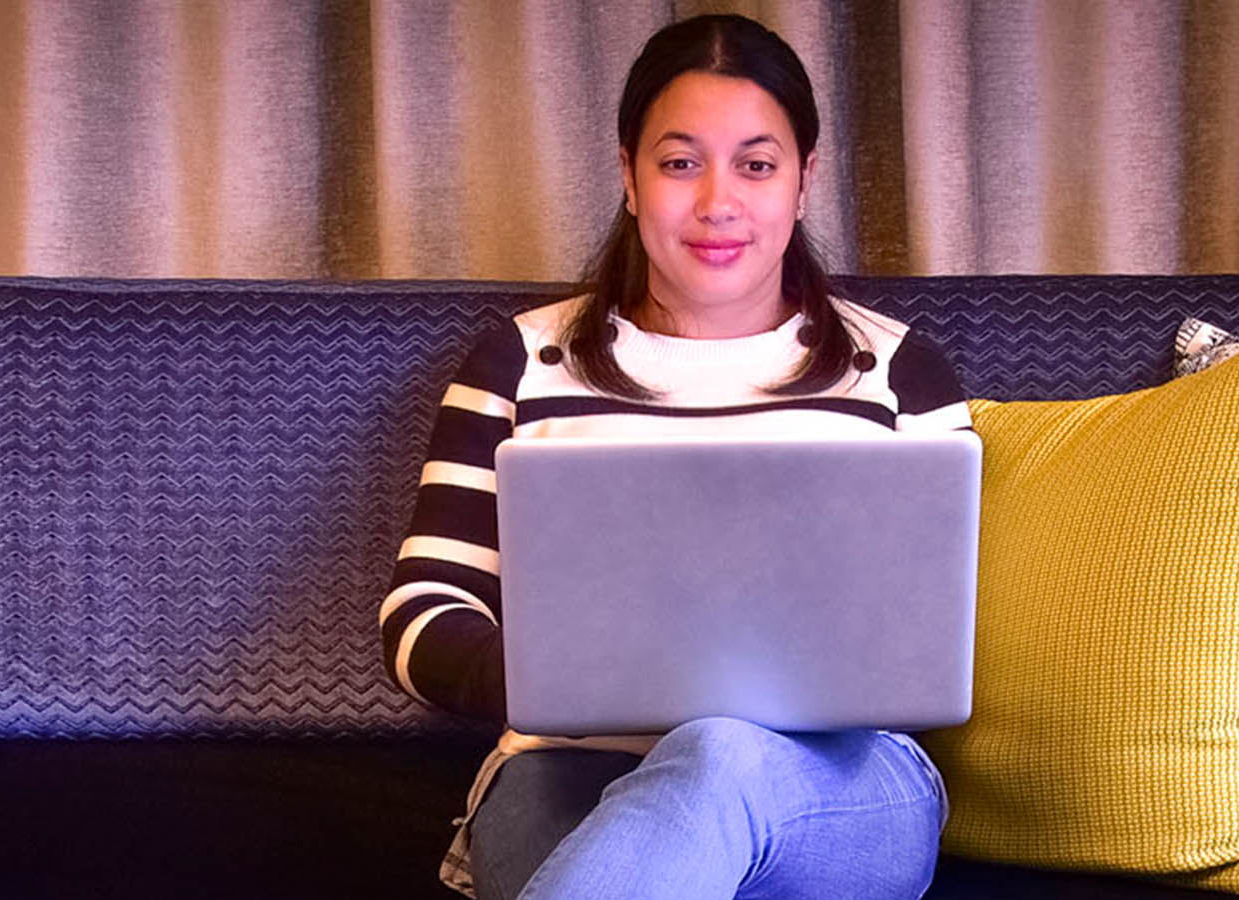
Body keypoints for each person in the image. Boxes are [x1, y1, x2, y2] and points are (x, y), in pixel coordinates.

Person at [378, 13, 972, 900]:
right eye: (680, 162)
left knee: (722, 750)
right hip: (568, 778)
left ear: (805, 181)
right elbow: (423, 610)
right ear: (628, 174)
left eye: (757, 165)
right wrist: (563, 674)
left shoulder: (897, 372)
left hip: (837, 786)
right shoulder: (519, 363)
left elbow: (942, 631)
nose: (717, 202)